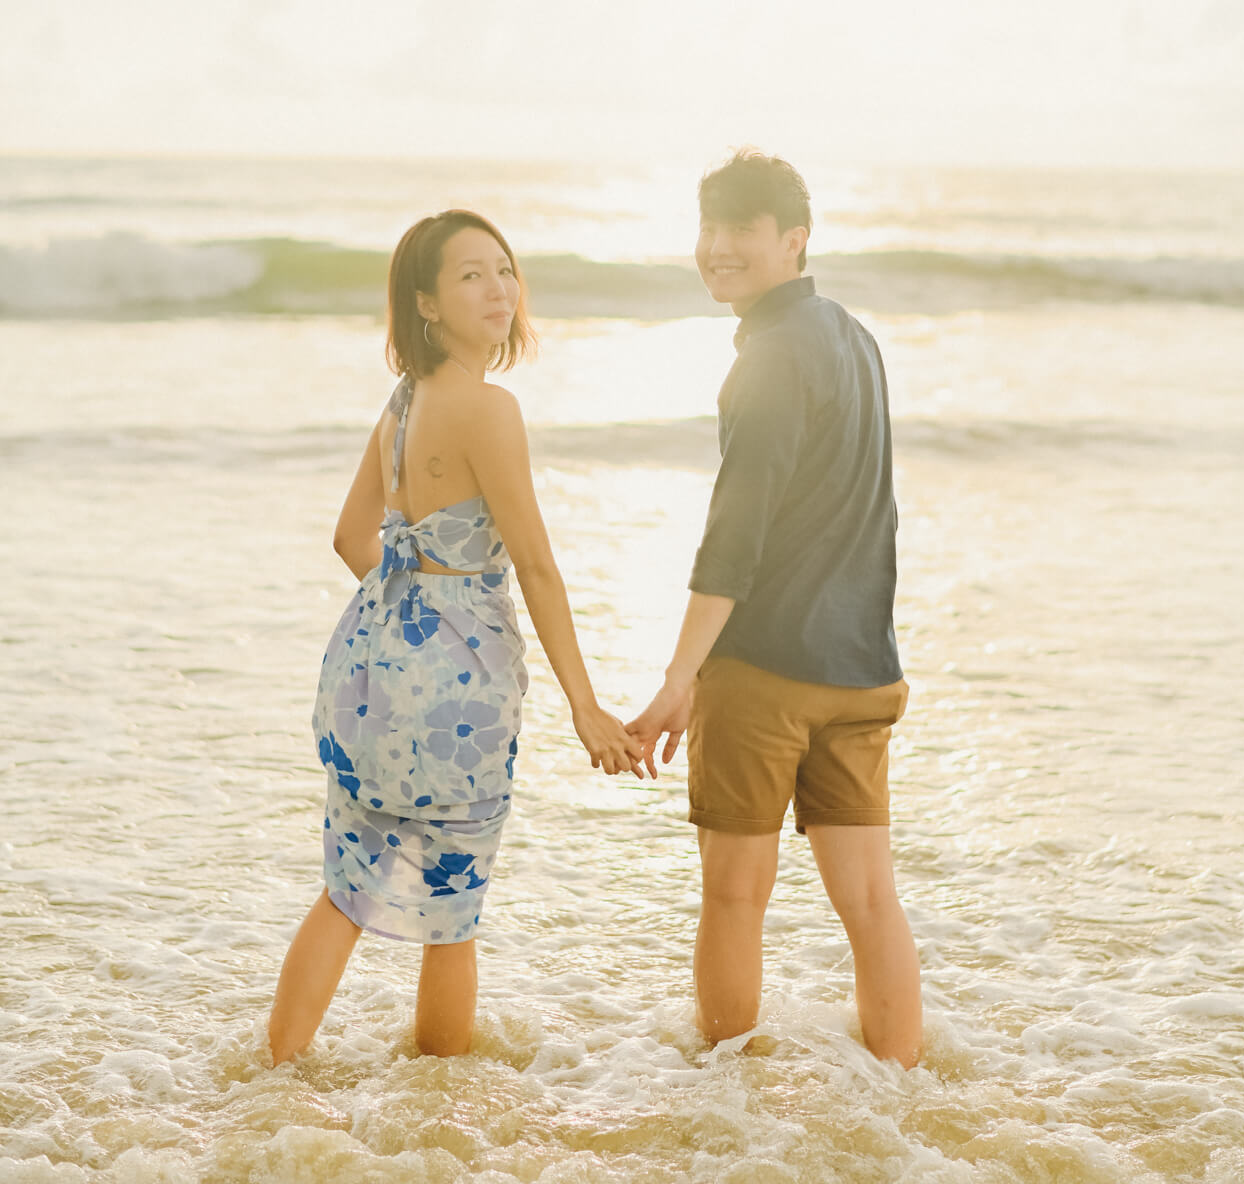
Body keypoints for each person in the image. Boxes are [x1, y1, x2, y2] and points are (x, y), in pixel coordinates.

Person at [267, 209, 642, 1063]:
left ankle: (275, 1071)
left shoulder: (403, 404)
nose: (498, 289)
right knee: (453, 911)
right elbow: (536, 566)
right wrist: (584, 705)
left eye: (503, 269)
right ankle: (440, 1097)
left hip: (373, 665)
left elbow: (351, 538)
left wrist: (411, 608)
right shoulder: (487, 409)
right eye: (471, 275)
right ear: (426, 302)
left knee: (346, 891)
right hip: (461, 685)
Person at [629, 150, 921, 1066]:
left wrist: (679, 678)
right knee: (870, 901)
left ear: (793, 240)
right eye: (707, 227)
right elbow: (871, 510)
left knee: (733, 896)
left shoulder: (766, 359)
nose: (717, 247)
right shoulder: (853, 340)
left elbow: (734, 539)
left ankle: (729, 1106)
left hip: (764, 673)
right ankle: (904, 1092)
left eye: (740, 230)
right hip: (863, 671)